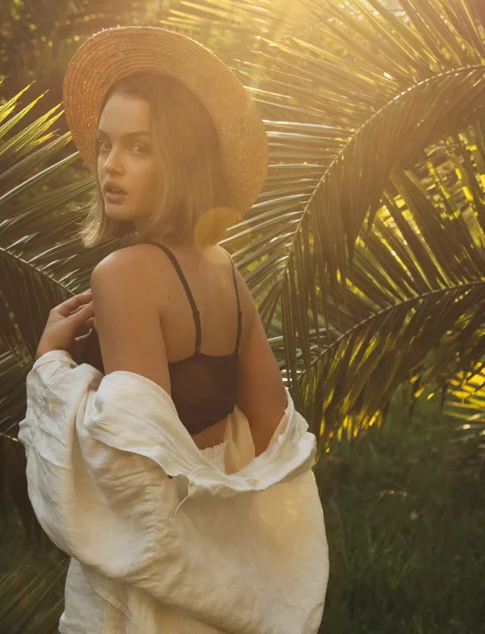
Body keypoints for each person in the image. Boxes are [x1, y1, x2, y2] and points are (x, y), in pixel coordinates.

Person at [19, 26, 329, 634]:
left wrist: (52, 363)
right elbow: (273, 433)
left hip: (157, 574)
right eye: (105, 144)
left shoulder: (122, 274)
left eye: (139, 147)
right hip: (219, 563)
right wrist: (233, 536)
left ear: (181, 159)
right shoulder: (225, 271)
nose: (110, 165)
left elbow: (130, 461)